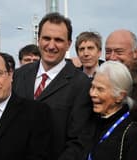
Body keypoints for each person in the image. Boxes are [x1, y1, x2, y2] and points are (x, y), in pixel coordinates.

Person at [12, 12, 92, 160]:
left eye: (58, 40)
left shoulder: (82, 84)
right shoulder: (19, 75)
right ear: (38, 40)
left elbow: (78, 142)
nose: (51, 46)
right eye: (46, 38)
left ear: (68, 44)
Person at [74, 61, 137, 160]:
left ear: (120, 96)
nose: (93, 94)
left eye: (100, 89)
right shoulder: (89, 121)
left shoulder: (132, 133)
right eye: (92, 87)